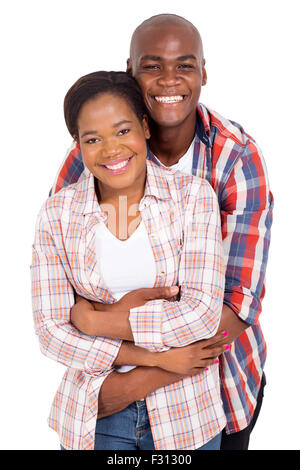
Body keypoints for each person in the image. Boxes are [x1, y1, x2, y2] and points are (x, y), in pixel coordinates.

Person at [51, 14, 274, 450]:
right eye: (152, 66)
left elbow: (236, 305)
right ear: (131, 73)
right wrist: (98, 326)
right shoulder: (90, 157)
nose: (168, 80)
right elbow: (63, 302)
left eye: (184, 66)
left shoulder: (235, 160)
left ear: (204, 72)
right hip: (103, 400)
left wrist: (136, 373)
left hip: (219, 393)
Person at [31, 70, 230, 450]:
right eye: (93, 139)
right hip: (95, 412)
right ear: (78, 145)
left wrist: (96, 319)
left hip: (186, 413)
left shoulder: (192, 198)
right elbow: (50, 332)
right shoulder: (57, 214)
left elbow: (203, 314)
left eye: (123, 131)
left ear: (144, 127)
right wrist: (151, 356)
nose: (111, 150)